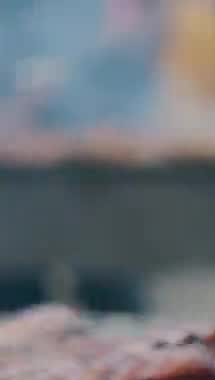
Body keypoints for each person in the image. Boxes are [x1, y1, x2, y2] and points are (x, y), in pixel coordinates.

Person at [0, 0, 161, 313]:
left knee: (111, 286)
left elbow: (128, 93)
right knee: (15, 293)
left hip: (96, 184)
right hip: (16, 188)